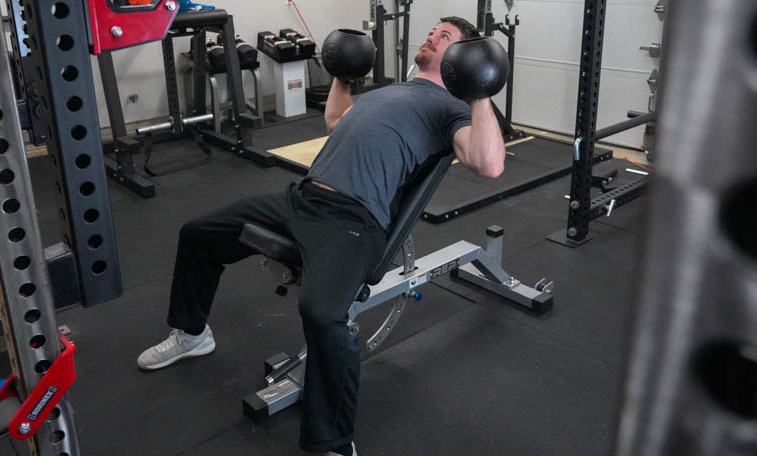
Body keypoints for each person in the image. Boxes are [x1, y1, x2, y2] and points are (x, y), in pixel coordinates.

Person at [137, 16, 506, 456]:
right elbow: (336, 120)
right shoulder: (391, 90)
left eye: (445, 36)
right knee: (199, 233)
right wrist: (342, 75)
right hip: (303, 198)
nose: (431, 35)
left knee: (323, 312)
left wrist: (479, 87)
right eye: (433, 30)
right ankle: (193, 334)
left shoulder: (452, 108)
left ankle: (333, 442)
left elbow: (489, 164)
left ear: (462, 58)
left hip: (352, 219)